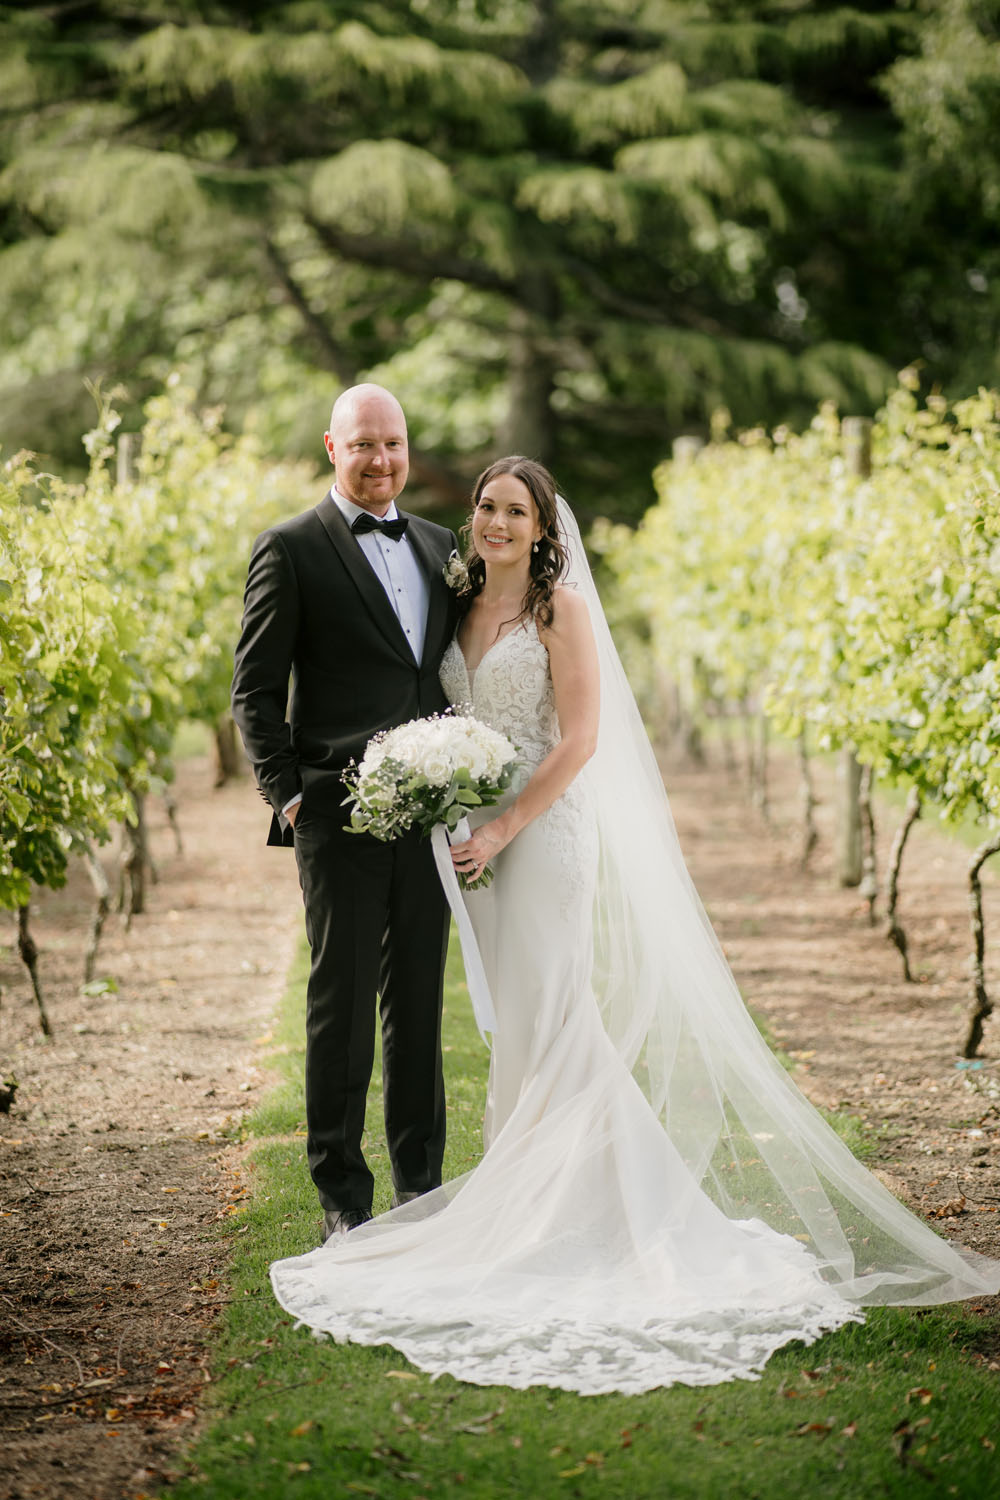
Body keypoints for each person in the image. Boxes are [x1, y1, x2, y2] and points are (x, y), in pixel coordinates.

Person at [269, 456, 1000, 1395]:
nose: (496, 523)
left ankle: (574, 1222)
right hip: (477, 851)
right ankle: (537, 1206)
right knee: (523, 1035)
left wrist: (501, 824)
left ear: (544, 528)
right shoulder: (459, 609)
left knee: (555, 1023)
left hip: (538, 838)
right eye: (487, 507)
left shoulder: (557, 612)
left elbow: (578, 742)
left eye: (516, 511)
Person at [231, 384, 458, 1242]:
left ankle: (422, 1188)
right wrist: (289, 793)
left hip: (429, 813)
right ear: (334, 447)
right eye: (365, 445)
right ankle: (342, 1200)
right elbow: (253, 690)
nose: (383, 461)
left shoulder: (440, 546)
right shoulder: (289, 548)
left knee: (420, 1005)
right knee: (341, 1003)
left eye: (395, 444)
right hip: (336, 812)